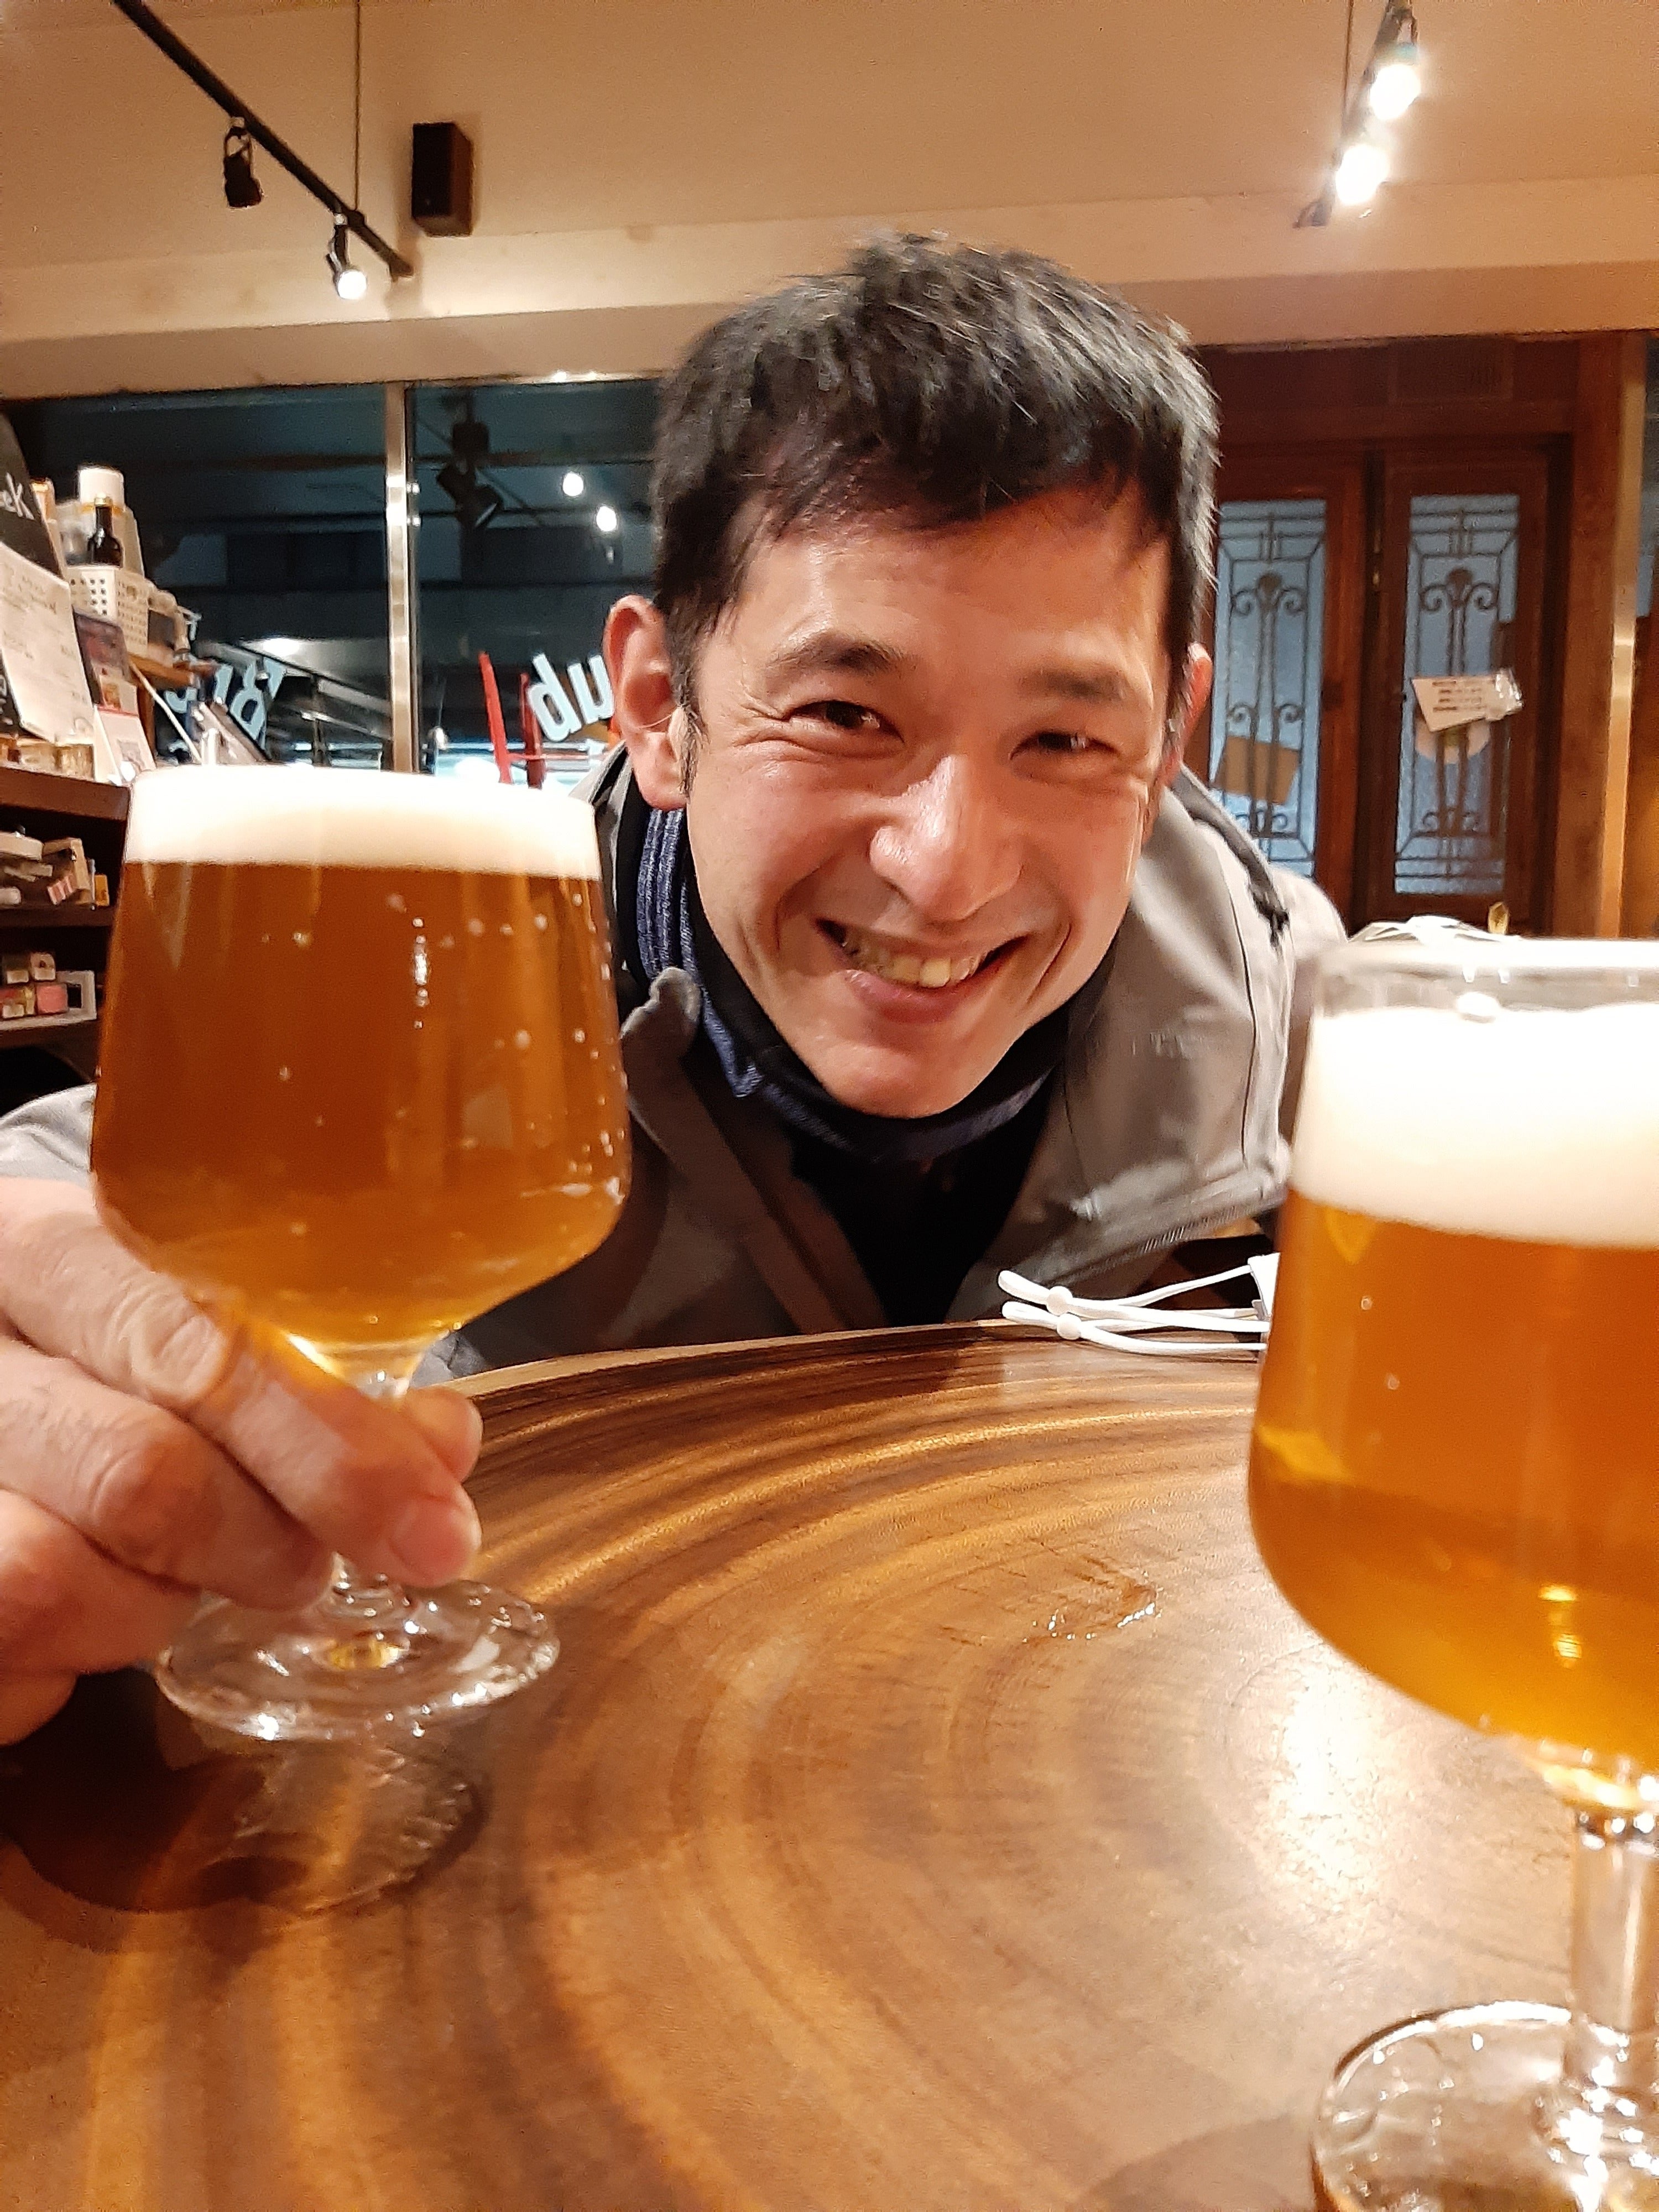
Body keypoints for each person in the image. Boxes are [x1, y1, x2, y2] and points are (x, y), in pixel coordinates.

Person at [0, 236, 1339, 1739]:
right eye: (845, 713)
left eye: (1067, 740)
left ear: (1167, 742)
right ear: (658, 706)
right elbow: (62, 1205)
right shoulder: (453, 970)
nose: (948, 871)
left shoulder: (1332, 1048)